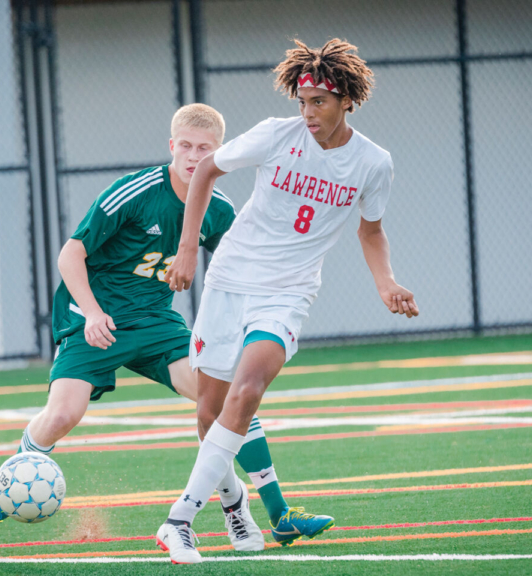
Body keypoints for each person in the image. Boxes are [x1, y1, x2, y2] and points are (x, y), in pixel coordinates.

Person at [0, 104, 332, 552]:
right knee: (61, 416)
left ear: (221, 153)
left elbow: (247, 261)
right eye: (186, 147)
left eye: (205, 149)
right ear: (172, 146)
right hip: (94, 319)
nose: (194, 156)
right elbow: (70, 254)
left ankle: (271, 513)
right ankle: (3, 499)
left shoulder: (219, 209)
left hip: (156, 321)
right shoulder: (136, 192)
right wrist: (92, 313)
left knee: (225, 398)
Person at [156, 38, 420, 564]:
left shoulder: (373, 163)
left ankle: (178, 520)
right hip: (231, 281)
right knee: (210, 413)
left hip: (289, 292)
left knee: (249, 388)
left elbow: (371, 232)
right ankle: (243, 513)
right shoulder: (277, 135)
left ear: (347, 98)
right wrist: (188, 251)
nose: (308, 112)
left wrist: (386, 281)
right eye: (302, 101)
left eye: (318, 102)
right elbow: (206, 171)